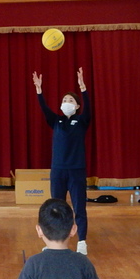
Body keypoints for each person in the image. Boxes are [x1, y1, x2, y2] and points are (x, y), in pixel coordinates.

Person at [32, 68, 91, 255]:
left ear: (77, 106)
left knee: (79, 207)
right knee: (55, 207)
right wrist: (39, 91)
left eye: (71, 100)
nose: (67, 102)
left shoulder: (82, 121)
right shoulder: (56, 121)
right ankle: (53, 240)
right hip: (58, 170)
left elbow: (88, 107)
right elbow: (44, 109)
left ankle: (81, 242)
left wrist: (83, 88)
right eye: (64, 100)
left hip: (76, 170)